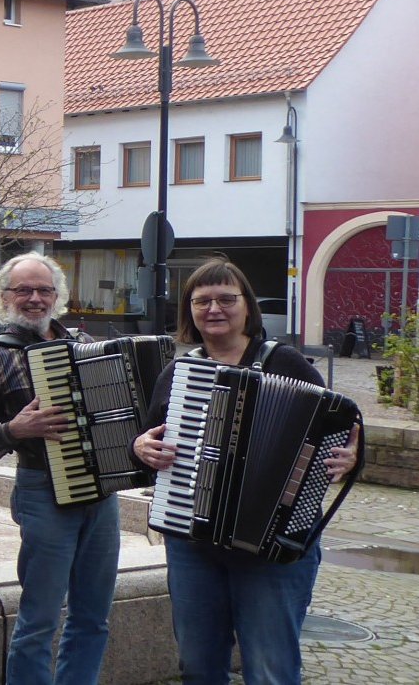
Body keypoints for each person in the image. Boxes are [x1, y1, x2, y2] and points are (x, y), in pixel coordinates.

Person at [132, 258, 360, 684]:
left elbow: (342, 424)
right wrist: (141, 446)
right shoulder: (178, 372)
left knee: (270, 667)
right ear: (190, 312)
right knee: (198, 665)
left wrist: (349, 455)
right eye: (202, 301)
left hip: (271, 545)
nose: (214, 309)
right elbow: (148, 443)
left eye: (225, 299)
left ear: (247, 307)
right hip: (191, 539)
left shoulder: (285, 363)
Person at [0, 252, 117, 685]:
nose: (35, 298)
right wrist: (14, 429)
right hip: (42, 488)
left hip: (102, 490)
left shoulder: (85, 345)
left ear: (57, 296)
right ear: (4, 297)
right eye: (24, 290)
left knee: (94, 617)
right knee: (39, 621)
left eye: (44, 290)